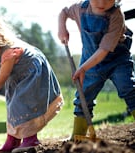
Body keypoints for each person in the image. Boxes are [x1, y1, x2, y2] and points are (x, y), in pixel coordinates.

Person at [0, 10, 64, 153]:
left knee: (23, 104)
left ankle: (30, 139)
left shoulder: (9, 52)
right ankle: (13, 141)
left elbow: (1, 79)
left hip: (31, 73)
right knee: (12, 105)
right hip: (17, 77)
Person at [58, 0, 135, 140]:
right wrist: (62, 28)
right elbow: (64, 12)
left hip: (117, 61)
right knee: (83, 96)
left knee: (128, 88)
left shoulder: (116, 16)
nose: (101, 2)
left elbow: (104, 50)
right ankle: (78, 136)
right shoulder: (80, 9)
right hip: (90, 61)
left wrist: (82, 68)